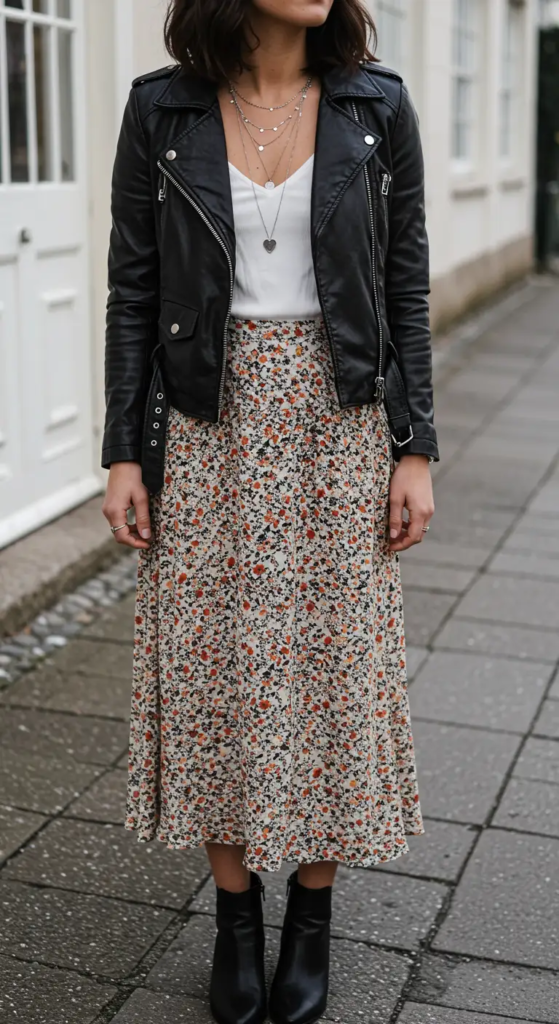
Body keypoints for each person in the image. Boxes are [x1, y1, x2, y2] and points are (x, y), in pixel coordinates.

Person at [101, 1, 438, 1022]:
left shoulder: (376, 106)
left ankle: (312, 920)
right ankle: (235, 919)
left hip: (339, 414)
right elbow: (132, 284)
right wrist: (122, 446)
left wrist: (414, 444)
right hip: (205, 417)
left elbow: (404, 282)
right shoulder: (161, 110)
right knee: (209, 663)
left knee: (338, 662)